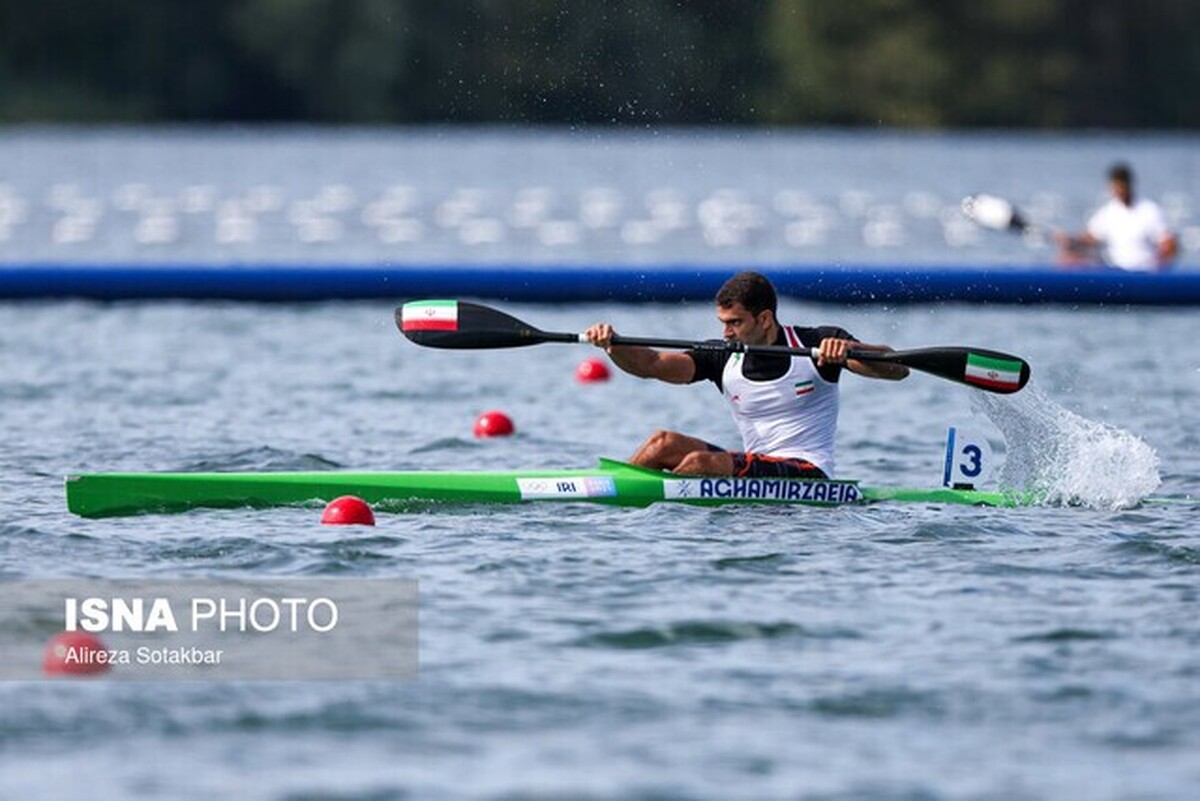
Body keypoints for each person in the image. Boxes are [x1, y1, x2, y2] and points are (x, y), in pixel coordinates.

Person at [584, 271, 907, 479]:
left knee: (701, 463)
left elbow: (897, 369)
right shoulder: (723, 356)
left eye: (734, 322)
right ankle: (607, 496)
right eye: (722, 322)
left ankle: (664, 509)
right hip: (757, 464)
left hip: (808, 471)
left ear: (765, 319)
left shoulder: (815, 344)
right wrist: (613, 345)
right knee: (661, 443)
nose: (725, 332)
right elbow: (652, 365)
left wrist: (850, 351)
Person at [1054, 163, 1178, 271]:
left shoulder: (1150, 210)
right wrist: (1069, 240)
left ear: (1129, 185)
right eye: (1116, 187)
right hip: (1114, 271)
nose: (1119, 191)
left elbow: (1169, 244)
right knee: (1067, 259)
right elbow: (1088, 240)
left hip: (1145, 271)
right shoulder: (1107, 213)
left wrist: (1158, 264)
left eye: (1122, 186)